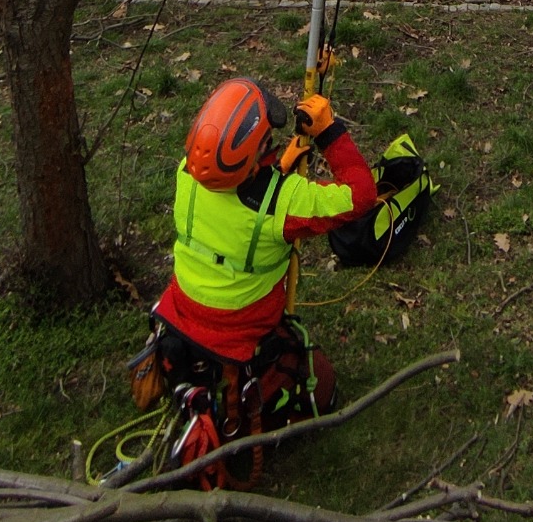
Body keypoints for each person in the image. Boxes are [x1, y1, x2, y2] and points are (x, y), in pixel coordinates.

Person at [151, 78, 378, 431]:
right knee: (323, 380)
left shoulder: (187, 173)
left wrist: (277, 169)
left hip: (184, 301)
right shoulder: (283, 203)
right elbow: (361, 193)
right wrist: (328, 132)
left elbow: (236, 201)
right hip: (242, 321)